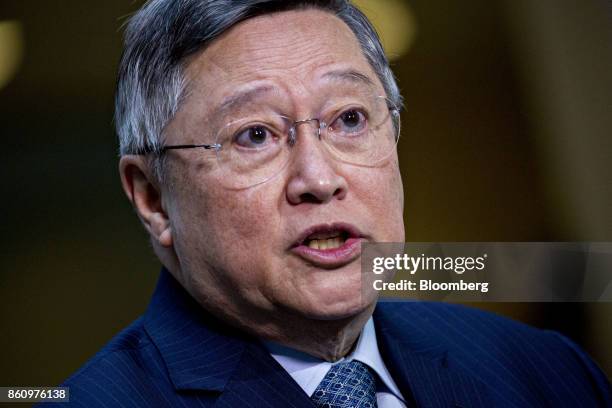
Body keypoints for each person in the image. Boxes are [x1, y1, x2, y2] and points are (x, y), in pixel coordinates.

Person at [47, 1, 611, 407]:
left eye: (348, 119)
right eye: (255, 135)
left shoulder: (545, 370)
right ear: (153, 199)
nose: (319, 178)